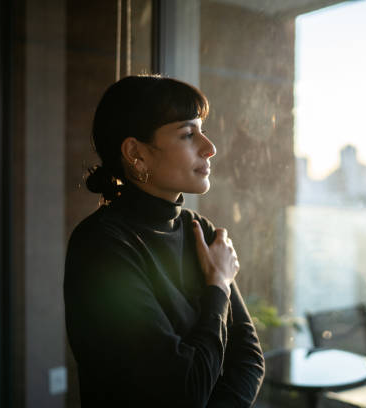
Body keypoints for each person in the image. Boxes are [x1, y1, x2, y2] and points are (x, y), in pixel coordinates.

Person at [64, 75, 265, 407]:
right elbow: (182, 392)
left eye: (202, 129)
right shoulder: (101, 246)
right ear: (136, 153)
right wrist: (218, 285)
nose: (209, 146)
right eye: (188, 134)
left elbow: (248, 358)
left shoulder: (200, 229)